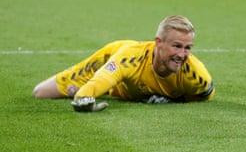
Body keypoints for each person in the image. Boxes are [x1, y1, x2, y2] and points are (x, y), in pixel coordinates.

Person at [32, 15, 214, 112]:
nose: (182, 55)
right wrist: (84, 99)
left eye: (188, 48)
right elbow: (92, 88)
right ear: (158, 42)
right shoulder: (129, 58)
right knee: (41, 92)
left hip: (125, 86)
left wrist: (173, 100)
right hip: (109, 60)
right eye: (177, 46)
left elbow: (204, 96)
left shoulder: (196, 74)